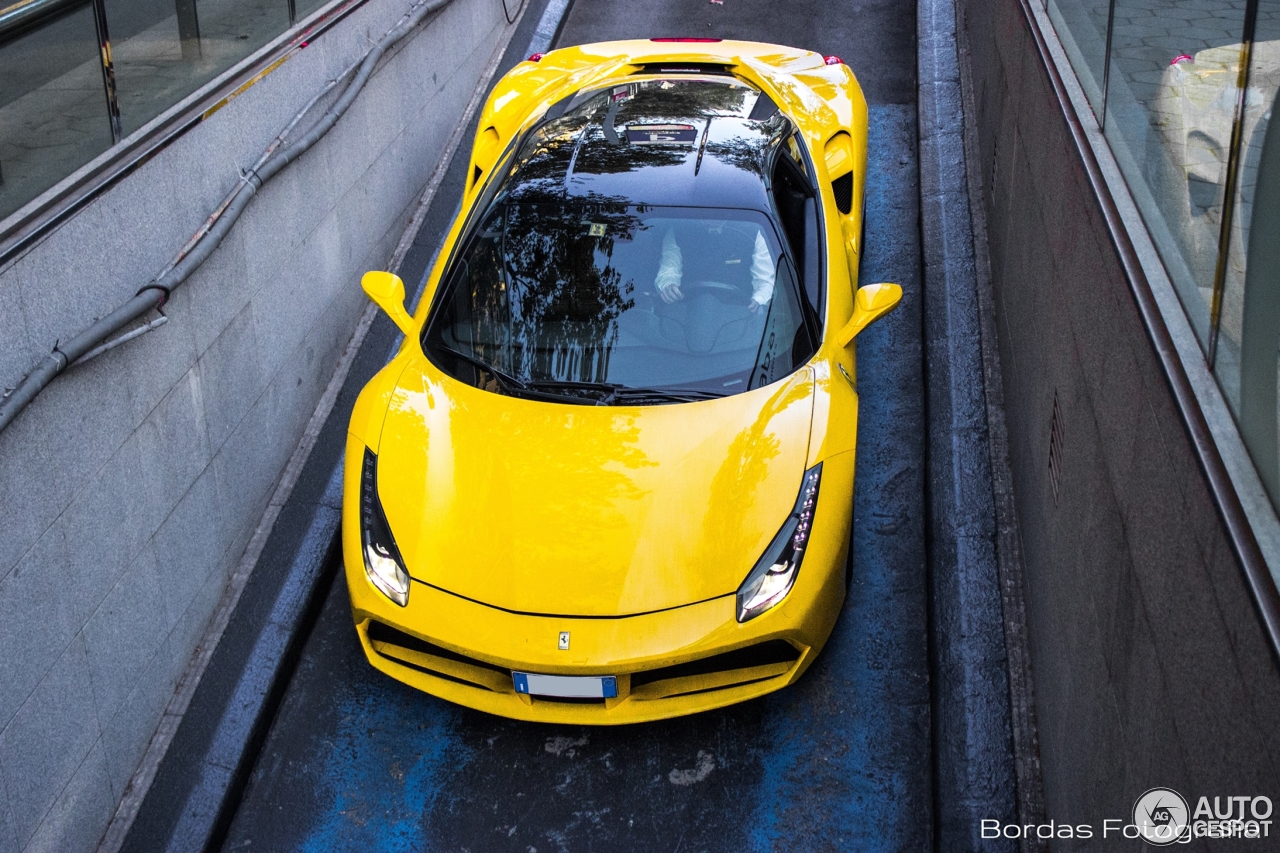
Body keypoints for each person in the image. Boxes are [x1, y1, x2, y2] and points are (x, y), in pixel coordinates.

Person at [654, 220, 775, 312]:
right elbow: (668, 270)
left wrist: (758, 299)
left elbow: (764, 281)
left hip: (738, 315)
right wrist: (668, 286)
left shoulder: (752, 230)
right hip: (687, 314)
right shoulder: (679, 230)